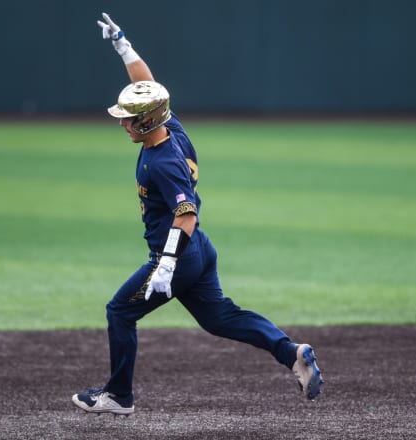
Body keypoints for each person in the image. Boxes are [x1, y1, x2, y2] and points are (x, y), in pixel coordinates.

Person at [71, 13, 324, 416]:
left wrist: (166, 266)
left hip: (178, 255)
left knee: (119, 311)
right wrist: (123, 44)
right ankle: (291, 352)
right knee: (220, 317)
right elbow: (148, 85)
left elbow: (185, 214)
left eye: (129, 118)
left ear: (147, 120)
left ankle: (119, 396)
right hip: (200, 251)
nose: (124, 123)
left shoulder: (161, 162)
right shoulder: (171, 126)